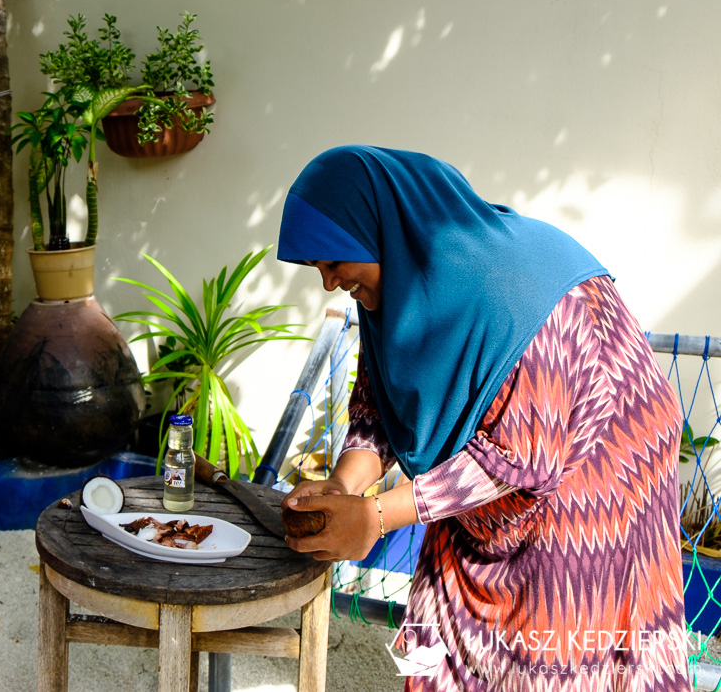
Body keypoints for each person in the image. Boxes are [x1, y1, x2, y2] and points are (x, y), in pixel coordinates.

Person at [278, 146, 689, 689]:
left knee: (555, 642)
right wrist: (344, 485)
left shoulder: (512, 293)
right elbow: (376, 403)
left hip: (598, 472)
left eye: (334, 262)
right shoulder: (399, 282)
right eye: (317, 269)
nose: (329, 282)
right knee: (446, 626)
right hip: (491, 470)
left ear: (382, 230)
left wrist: (375, 518)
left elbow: (521, 456)